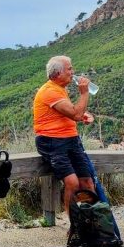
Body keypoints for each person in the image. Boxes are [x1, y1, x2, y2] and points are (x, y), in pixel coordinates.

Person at [33, 56, 96, 216]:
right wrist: (84, 94)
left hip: (71, 139)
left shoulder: (60, 89)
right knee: (72, 183)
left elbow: (70, 112)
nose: (73, 72)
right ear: (58, 73)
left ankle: (90, 220)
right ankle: (74, 223)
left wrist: (83, 116)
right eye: (69, 69)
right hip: (52, 141)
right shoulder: (49, 91)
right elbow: (74, 113)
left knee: (87, 182)